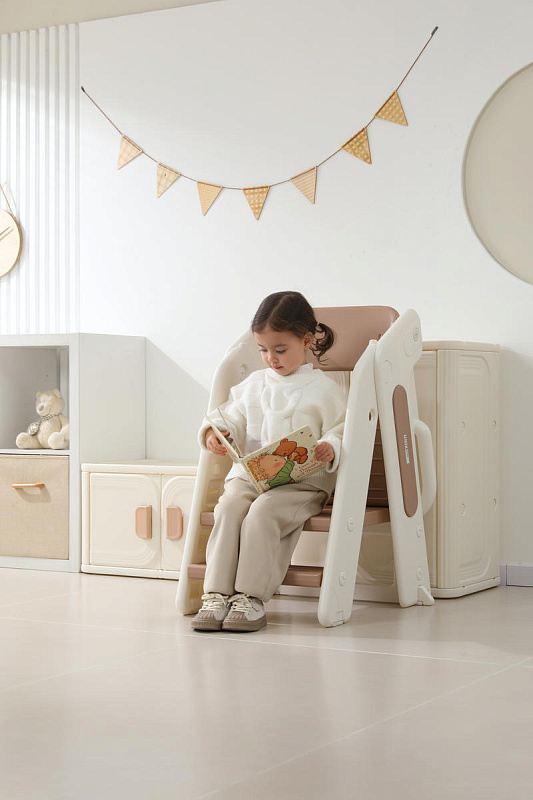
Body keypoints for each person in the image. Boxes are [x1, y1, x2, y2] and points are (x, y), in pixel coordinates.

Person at [191, 291, 347, 633]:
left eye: (280, 350)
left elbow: (341, 429)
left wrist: (330, 446)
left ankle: (250, 598)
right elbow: (227, 416)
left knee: (263, 512)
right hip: (251, 475)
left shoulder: (325, 389)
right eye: (263, 350)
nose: (270, 359)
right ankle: (216, 595)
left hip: (302, 483)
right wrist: (216, 433)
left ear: (306, 341)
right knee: (229, 507)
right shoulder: (253, 384)